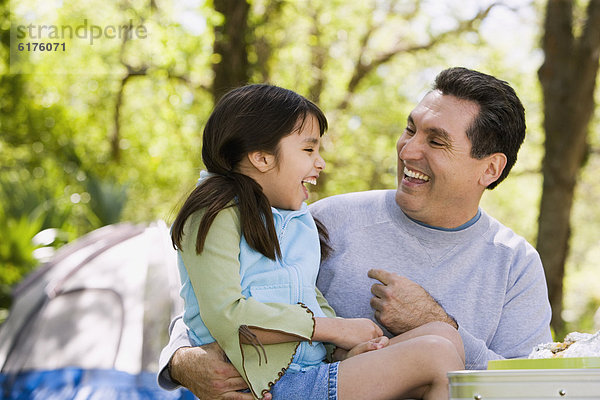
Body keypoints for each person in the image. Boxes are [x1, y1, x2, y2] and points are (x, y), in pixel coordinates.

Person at [158, 68, 552, 399]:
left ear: (489, 169)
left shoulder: (515, 265)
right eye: (410, 129)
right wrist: (180, 361)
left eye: (436, 141)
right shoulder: (322, 218)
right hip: (284, 381)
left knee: (438, 340)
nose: (408, 150)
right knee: (434, 349)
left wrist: (439, 322)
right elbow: (214, 297)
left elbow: (535, 388)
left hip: (327, 375)